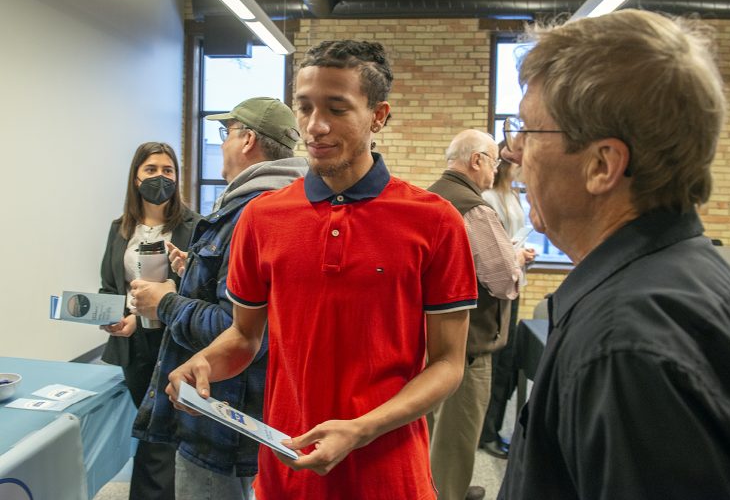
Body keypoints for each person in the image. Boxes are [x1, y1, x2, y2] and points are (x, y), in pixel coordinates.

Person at [165, 40, 478, 500]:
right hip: (286, 469)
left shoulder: (434, 220)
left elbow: (448, 364)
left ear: (379, 115)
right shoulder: (262, 217)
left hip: (390, 477)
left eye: (337, 108)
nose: (316, 126)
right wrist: (204, 362)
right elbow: (245, 336)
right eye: (305, 107)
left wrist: (362, 429)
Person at [498, 9, 730, 499]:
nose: (514, 153)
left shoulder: (621, 347)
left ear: (602, 165)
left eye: (528, 131)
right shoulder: (700, 281)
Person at [129, 98, 307, 499]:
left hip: (220, 419)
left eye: (226, 134)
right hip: (253, 412)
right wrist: (190, 272)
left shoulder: (251, 214)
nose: (223, 144)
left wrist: (166, 302)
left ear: (247, 141)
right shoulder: (287, 205)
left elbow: (239, 329)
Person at [427, 130, 526, 500]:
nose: (495, 169)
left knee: (431, 429)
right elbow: (503, 283)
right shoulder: (476, 209)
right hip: (467, 346)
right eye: (494, 162)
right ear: (477, 160)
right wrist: (515, 260)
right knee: (456, 439)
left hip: (427, 338)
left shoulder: (428, 196)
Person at [99, 141, 200, 500]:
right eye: (151, 170)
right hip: (134, 343)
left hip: (179, 341)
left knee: (169, 429)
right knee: (149, 429)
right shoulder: (119, 229)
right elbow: (110, 286)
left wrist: (182, 276)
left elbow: (206, 290)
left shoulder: (196, 227)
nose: (160, 177)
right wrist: (119, 318)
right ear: (136, 177)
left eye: (168, 170)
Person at [478, 143, 536, 461]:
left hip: (515, 284)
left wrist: (521, 256)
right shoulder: (489, 199)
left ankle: (492, 428)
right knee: (499, 364)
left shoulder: (512, 196)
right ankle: (487, 433)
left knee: (508, 361)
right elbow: (493, 257)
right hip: (498, 292)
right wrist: (515, 255)